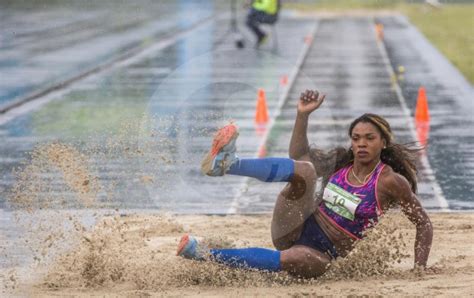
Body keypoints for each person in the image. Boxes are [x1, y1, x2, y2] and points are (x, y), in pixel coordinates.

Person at [177, 90, 433, 278]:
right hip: (295, 227)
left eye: (369, 138)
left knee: (297, 256)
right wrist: (302, 116)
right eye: (356, 138)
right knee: (305, 170)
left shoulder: (389, 181)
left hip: (322, 255)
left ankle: (201, 252)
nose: (361, 144)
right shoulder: (341, 161)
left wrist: (419, 268)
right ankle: (228, 164)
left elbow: (423, 222)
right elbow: (298, 156)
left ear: (383, 143)